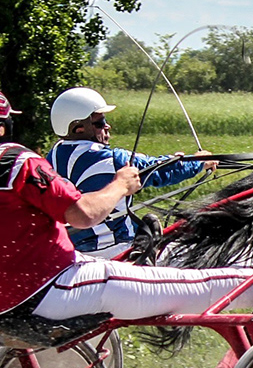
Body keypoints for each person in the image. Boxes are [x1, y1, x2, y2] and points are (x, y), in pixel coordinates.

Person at [0, 83, 253, 335]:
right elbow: (83, 213)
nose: (106, 127)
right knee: (189, 284)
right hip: (51, 289)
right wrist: (121, 184)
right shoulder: (14, 161)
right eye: (100, 121)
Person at [46, 86, 216, 259]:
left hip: (69, 254)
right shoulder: (115, 160)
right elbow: (162, 170)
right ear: (79, 128)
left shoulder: (48, 159)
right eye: (100, 122)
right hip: (117, 250)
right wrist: (199, 162)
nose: (107, 126)